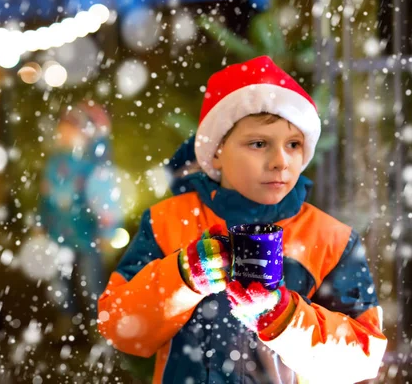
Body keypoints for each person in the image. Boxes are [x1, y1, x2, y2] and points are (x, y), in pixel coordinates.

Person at [98, 56, 387, 383]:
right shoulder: (168, 222)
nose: (281, 161)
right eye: (259, 143)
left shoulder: (331, 240)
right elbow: (120, 328)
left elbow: (363, 359)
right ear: (217, 149)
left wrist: (283, 318)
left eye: (293, 144)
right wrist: (182, 277)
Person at [39, 101, 122, 340]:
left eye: (69, 128)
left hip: (88, 236)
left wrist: (107, 232)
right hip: (58, 233)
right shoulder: (57, 162)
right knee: (59, 282)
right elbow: (45, 195)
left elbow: (107, 202)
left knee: (91, 282)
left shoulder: (96, 168)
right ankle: (67, 319)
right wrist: (40, 221)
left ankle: (99, 325)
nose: (62, 133)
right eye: (62, 128)